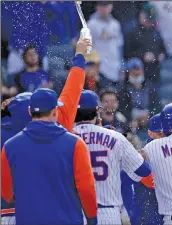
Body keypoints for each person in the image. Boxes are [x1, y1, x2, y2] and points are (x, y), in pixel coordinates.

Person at [0, 38, 91, 225]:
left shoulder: (8, 140)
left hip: (9, 212)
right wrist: (80, 54)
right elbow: (74, 85)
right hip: (58, 212)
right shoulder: (60, 122)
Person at [1, 88, 98, 225]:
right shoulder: (76, 144)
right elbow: (86, 189)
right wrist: (92, 219)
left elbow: (7, 195)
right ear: (55, 111)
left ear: (30, 111)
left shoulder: (9, 147)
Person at [73, 90, 152, 224]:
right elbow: (144, 170)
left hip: (77, 214)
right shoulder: (115, 136)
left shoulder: (66, 138)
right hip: (109, 214)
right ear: (97, 110)